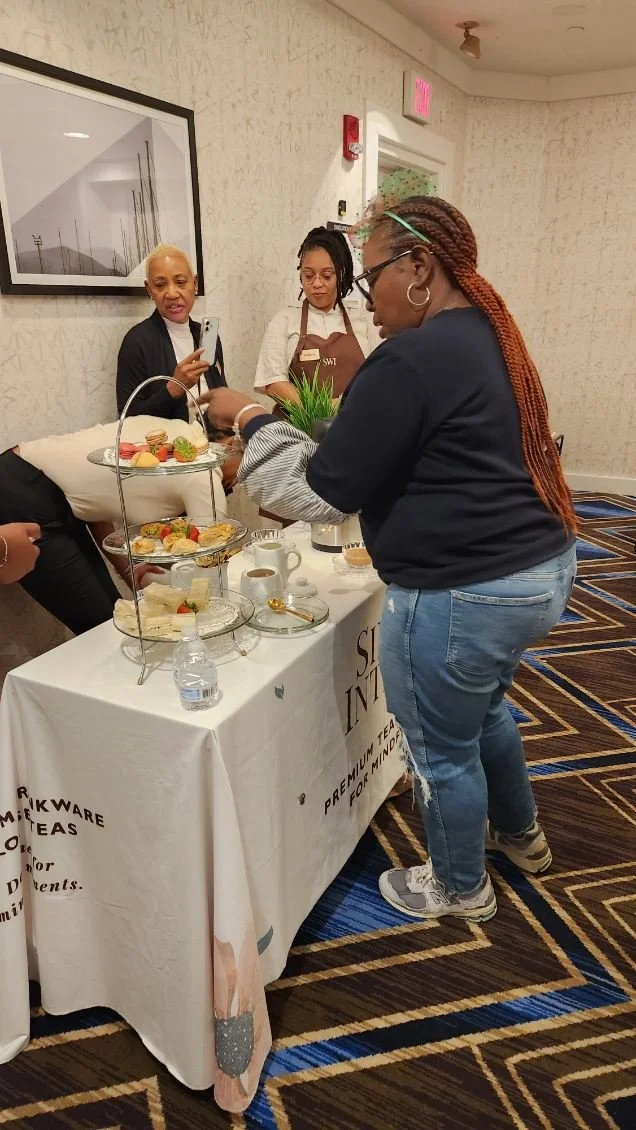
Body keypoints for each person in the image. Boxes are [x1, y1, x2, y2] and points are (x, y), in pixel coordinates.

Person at [202, 195, 577, 924]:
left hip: (464, 591)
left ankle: (460, 887)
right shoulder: (490, 333)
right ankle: (521, 836)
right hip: (540, 569)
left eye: (369, 278)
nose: (363, 299)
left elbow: (324, 491)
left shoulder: (408, 358)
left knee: (439, 748)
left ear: (419, 268)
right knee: (483, 711)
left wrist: (247, 416)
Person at [1, 415, 227, 635]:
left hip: (39, 486)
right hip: (19, 494)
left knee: (115, 614)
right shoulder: (202, 472)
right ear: (232, 442)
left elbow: (97, 502)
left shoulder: (178, 431)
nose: (236, 482)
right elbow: (210, 560)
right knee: (102, 627)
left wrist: (129, 568)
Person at [254, 227, 373, 410]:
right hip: (296, 426)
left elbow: (376, 375)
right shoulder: (284, 320)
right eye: (308, 275)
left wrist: (343, 407)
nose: (317, 283)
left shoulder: (362, 320)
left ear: (341, 274)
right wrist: (319, 412)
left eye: (327, 275)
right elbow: (273, 381)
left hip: (352, 421)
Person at [116, 244, 227, 425]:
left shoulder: (207, 335)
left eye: (180, 282)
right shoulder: (136, 342)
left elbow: (220, 394)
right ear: (149, 290)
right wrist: (173, 389)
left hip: (214, 439)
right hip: (171, 442)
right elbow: (126, 419)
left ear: (195, 283)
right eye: (160, 285)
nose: (172, 293)